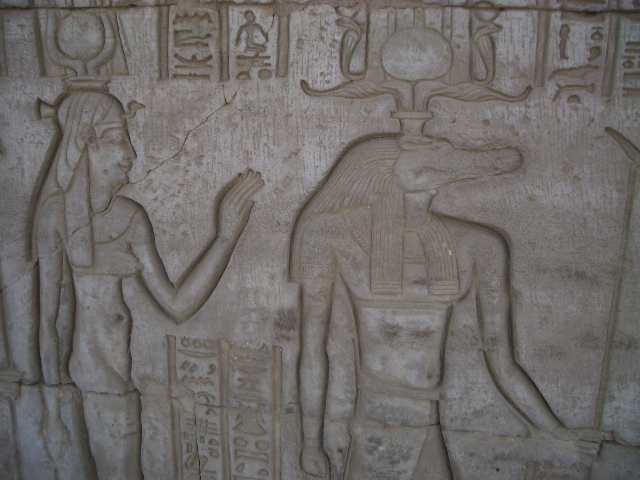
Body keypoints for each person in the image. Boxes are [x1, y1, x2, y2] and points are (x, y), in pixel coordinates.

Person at [290, 127, 605, 479]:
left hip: (429, 421)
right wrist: (310, 442)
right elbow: (313, 349)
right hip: (376, 422)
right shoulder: (329, 234)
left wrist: (555, 431)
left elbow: (501, 359)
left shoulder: (479, 244)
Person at [32, 86, 263, 479]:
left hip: (119, 375)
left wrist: (225, 237)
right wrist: (52, 408)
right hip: (94, 375)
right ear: (87, 140)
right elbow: (48, 320)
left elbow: (178, 305)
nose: (131, 155)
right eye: (118, 141)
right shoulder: (57, 216)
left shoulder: (130, 217)